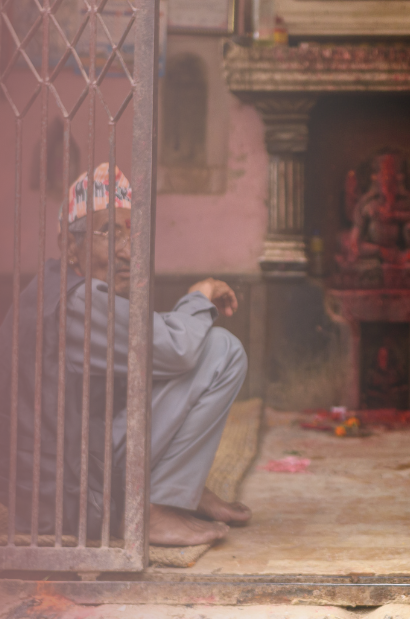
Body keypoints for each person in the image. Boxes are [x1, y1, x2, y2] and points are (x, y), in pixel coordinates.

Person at [0, 164, 251, 546]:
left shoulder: (60, 289)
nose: (125, 251)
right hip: (67, 501)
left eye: (132, 236)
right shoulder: (77, 301)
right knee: (221, 350)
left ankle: (179, 488)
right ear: (70, 245)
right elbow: (177, 350)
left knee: (195, 348)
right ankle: (153, 509)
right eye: (108, 233)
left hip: (70, 474)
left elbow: (152, 342)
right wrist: (198, 298)